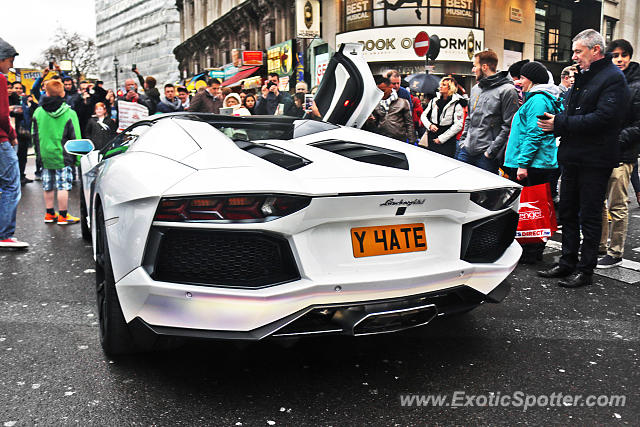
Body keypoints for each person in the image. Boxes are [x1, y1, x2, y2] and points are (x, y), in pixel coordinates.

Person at [537, 29, 630, 288]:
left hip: (595, 159)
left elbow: (604, 119)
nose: (574, 56)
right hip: (572, 156)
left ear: (595, 50)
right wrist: (556, 121)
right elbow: (572, 110)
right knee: (567, 211)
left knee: (589, 215)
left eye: (579, 51)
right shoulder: (583, 77)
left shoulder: (613, 78)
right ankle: (567, 262)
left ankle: (585, 269)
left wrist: (560, 123)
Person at [503, 61, 562, 264]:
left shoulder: (537, 100)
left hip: (533, 165)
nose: (519, 82)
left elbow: (533, 134)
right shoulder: (538, 98)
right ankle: (531, 248)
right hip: (535, 163)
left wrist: (522, 164)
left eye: (522, 77)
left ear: (532, 79)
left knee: (530, 207)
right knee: (534, 206)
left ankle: (531, 250)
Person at [596, 39, 640, 268]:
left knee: (617, 205)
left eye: (623, 55)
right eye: (614, 55)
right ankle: (600, 245)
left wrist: (615, 139)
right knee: (599, 202)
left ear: (630, 57)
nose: (619, 59)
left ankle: (615, 252)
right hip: (600, 153)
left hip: (622, 154)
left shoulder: (637, 84)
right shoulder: (608, 80)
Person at [458, 50, 519, 174]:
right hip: (467, 150)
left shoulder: (508, 90)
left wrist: (490, 151)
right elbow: (469, 118)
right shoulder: (475, 89)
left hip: (486, 155)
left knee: (485, 193)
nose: (473, 70)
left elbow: (509, 125)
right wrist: (463, 142)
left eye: (475, 66)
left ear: (484, 67)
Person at [31, 79, 82, 226]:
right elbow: (75, 137)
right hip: (63, 156)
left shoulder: (38, 112)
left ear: (46, 92)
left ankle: (49, 213)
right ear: (63, 93)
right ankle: (63, 216)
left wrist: (38, 154)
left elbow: (34, 134)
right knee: (63, 186)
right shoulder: (69, 113)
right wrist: (76, 159)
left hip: (45, 156)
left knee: (48, 185)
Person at [0, 37, 28, 248]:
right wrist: (11, 134)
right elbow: (1, 114)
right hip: (0, 139)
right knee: (11, 186)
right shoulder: (0, 79)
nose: (11, 66)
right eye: (10, 61)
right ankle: (5, 235)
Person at [418, 76, 465, 158]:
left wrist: (441, 139)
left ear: (450, 88)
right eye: (441, 84)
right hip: (432, 136)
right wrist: (430, 125)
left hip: (447, 139)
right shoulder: (434, 101)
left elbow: (458, 125)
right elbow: (423, 116)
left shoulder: (457, 103)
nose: (440, 86)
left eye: (444, 85)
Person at [364, 75, 416, 144]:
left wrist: (411, 142)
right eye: (379, 90)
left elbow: (409, 123)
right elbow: (374, 124)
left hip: (399, 140)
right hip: (382, 140)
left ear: (390, 88)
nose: (381, 93)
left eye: (383, 90)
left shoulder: (403, 102)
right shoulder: (375, 103)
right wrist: (370, 121)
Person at [9, 82, 35, 184]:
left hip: (24, 132)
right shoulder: (7, 100)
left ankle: (21, 176)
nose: (18, 90)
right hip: (12, 133)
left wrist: (29, 104)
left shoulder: (24, 101)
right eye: (15, 88)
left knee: (23, 156)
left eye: (20, 88)